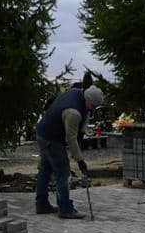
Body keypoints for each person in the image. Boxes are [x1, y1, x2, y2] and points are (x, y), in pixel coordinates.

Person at [35, 85, 105, 219]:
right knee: (63, 173)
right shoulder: (73, 112)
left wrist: (81, 135)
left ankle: (42, 205)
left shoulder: (77, 93)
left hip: (43, 131)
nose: (93, 110)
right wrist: (80, 160)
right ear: (88, 101)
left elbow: (84, 119)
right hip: (52, 138)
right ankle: (65, 209)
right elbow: (71, 139)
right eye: (93, 107)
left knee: (45, 169)